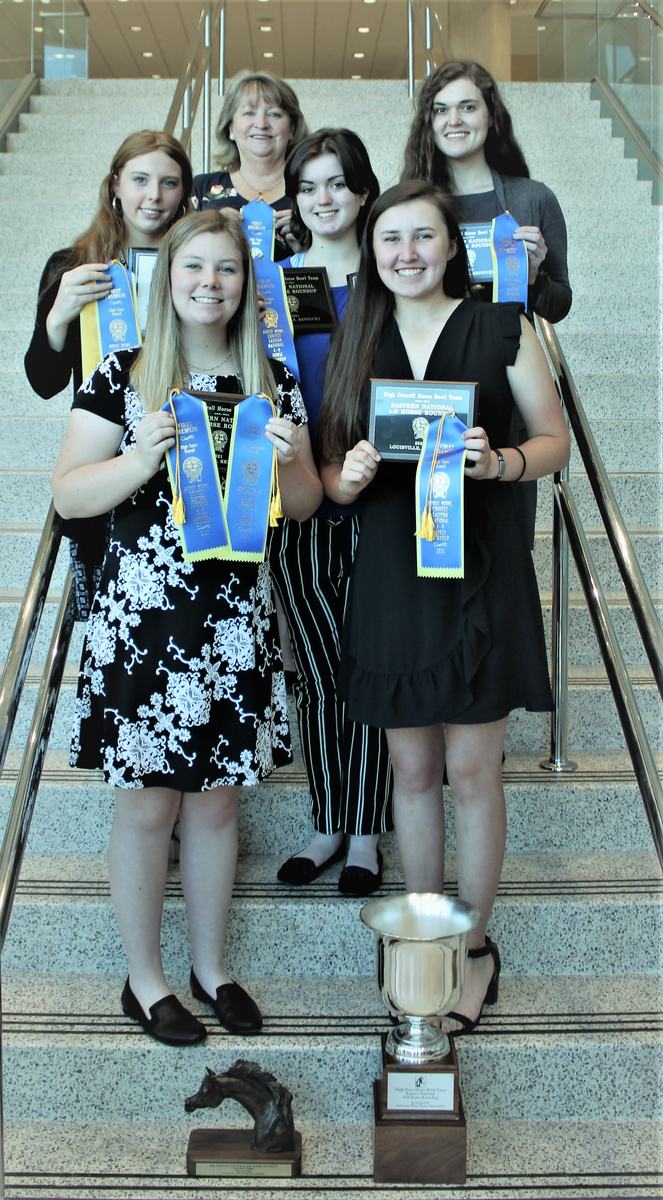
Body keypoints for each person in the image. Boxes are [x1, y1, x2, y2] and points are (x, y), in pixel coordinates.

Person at [52, 210, 322, 1046]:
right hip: (142, 619)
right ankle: (146, 980)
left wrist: (288, 461)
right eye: (194, 267)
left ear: (247, 284)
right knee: (147, 813)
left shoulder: (271, 375)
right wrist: (139, 458)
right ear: (165, 278)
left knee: (215, 809)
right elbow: (68, 495)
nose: (210, 282)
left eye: (228, 270)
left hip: (232, 618)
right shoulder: (123, 373)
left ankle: (212, 969)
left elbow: (306, 504)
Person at [318, 181, 569, 1034]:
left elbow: (552, 442)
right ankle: (425, 937)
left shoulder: (506, 325)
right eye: (391, 239)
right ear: (373, 250)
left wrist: (498, 463)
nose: (407, 254)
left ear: (450, 247)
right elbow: (324, 472)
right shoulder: (359, 334)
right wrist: (342, 479)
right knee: (412, 773)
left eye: (423, 237)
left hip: (481, 573)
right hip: (391, 574)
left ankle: (473, 947)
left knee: (471, 773)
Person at [269, 129, 392, 896]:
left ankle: (367, 834)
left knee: (374, 670)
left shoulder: (394, 277)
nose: (324, 198)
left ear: (363, 191)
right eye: (309, 185)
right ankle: (326, 820)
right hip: (301, 501)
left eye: (337, 183)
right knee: (318, 671)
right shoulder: (272, 284)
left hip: (382, 501)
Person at [24, 129, 194, 614]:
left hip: (181, 450)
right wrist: (58, 317)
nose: (153, 196)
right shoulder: (72, 266)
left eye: (169, 182)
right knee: (111, 613)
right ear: (115, 184)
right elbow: (43, 381)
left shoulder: (197, 267)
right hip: (102, 458)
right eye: (140, 179)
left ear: (185, 193)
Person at [401, 59, 571, 323]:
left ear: (490, 115)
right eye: (441, 110)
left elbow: (559, 307)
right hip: (433, 358)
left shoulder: (534, 199)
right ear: (429, 122)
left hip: (510, 358)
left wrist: (534, 277)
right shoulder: (408, 205)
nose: (454, 121)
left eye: (467, 107)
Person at [192, 70, 308, 261]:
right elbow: (177, 258)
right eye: (248, 113)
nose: (261, 124)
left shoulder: (312, 193)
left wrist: (307, 248)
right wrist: (215, 227)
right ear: (230, 128)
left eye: (274, 114)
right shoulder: (200, 189)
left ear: (292, 129)